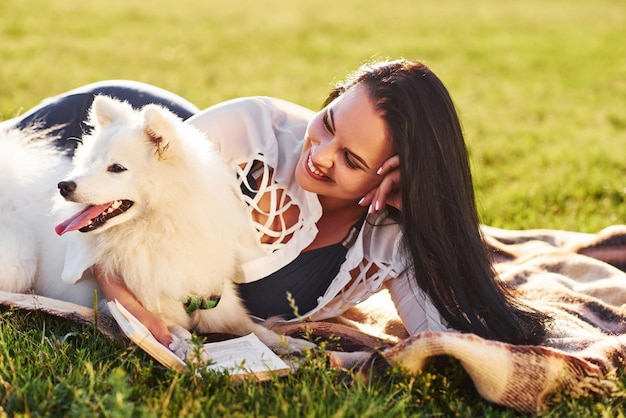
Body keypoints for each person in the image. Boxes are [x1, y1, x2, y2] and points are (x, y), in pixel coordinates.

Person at [2, 59, 551, 348]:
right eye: (330, 120)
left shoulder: (389, 243)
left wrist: (417, 217)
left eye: (352, 161)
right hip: (115, 138)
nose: (320, 155)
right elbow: (127, 212)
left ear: (389, 176)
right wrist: (136, 310)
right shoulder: (252, 127)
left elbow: (436, 334)